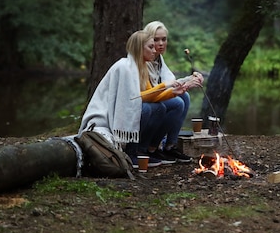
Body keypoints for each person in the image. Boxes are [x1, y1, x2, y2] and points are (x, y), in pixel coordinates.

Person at [78, 30, 188, 168]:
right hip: (106, 115)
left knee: (160, 107)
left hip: (127, 106)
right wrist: (165, 85)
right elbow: (134, 100)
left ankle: (142, 151)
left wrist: (173, 92)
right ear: (139, 48)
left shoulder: (140, 66)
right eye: (150, 47)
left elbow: (149, 95)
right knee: (147, 109)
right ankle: (130, 152)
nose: (154, 51)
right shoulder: (125, 66)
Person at [144, 21, 204, 163]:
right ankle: (152, 148)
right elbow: (155, 89)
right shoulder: (145, 60)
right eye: (156, 39)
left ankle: (170, 146)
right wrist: (185, 84)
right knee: (177, 102)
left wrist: (191, 78)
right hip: (146, 100)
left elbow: (172, 82)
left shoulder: (159, 59)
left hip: (155, 96)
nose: (160, 43)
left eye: (164, 39)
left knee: (185, 97)